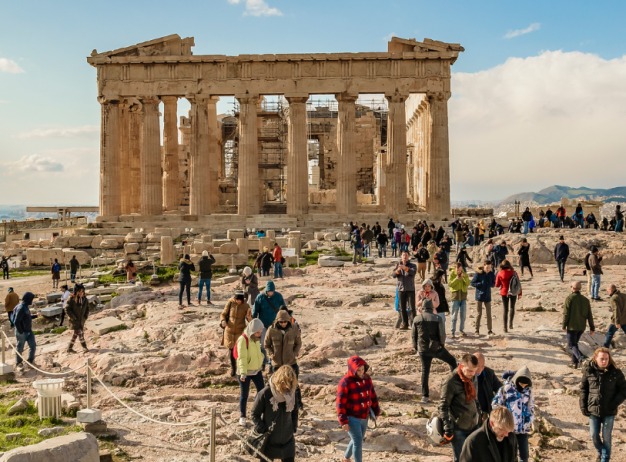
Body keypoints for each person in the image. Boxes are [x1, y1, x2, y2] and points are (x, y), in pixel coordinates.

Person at [580, 347, 626, 462]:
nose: (604, 361)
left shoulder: (616, 372)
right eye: (602, 359)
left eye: (606, 359)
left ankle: (605, 459)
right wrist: (583, 406)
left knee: (606, 438)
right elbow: (583, 389)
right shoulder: (588, 370)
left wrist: (615, 403)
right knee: (594, 436)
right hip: (593, 410)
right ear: (596, 358)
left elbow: (624, 390)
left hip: (609, 411)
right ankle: (602, 453)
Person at [251, 365, 301, 462]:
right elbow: (254, 414)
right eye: (285, 383)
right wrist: (263, 428)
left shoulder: (292, 393)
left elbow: (295, 411)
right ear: (279, 381)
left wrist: (293, 426)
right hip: (269, 441)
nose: (288, 386)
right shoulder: (265, 393)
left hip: (288, 440)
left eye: (290, 383)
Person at [337, 355, 381, 462]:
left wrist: (376, 410)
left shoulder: (367, 379)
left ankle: (346, 458)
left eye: (363, 369)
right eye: (358, 370)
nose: (361, 373)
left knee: (358, 439)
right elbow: (340, 403)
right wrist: (343, 421)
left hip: (364, 416)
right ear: (352, 369)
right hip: (352, 417)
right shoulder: (345, 382)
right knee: (358, 442)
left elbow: (372, 395)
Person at [412, 299, 456, 404]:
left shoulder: (417, 318)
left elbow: (414, 336)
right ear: (432, 308)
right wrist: (441, 346)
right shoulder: (437, 318)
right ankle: (454, 388)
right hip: (436, 348)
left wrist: (417, 348)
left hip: (423, 349)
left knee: (425, 371)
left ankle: (425, 396)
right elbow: (442, 335)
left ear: (422, 308)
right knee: (452, 361)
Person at [439, 354, 481, 462]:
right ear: (462, 366)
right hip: (458, 429)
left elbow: (475, 399)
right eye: (470, 371)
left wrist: (479, 415)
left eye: (474, 371)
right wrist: (447, 428)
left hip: (474, 426)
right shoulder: (450, 381)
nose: (472, 374)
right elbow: (443, 406)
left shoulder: (474, 377)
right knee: (461, 459)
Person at [492, 366, 534, 462]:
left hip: (522, 429)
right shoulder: (506, 389)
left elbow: (531, 406)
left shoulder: (529, 390)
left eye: (525, 385)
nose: (523, 386)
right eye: (521, 384)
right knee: (508, 455)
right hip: (507, 429)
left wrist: (529, 420)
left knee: (524, 456)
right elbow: (495, 404)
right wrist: (501, 420)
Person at [236, 318, 265, 425]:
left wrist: (261, 359)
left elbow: (258, 352)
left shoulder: (256, 338)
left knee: (262, 392)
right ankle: (242, 416)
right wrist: (243, 373)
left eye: (260, 332)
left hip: (256, 370)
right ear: (252, 331)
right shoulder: (243, 339)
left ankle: (256, 411)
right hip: (245, 372)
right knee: (245, 394)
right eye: (257, 332)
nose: (259, 334)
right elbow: (241, 357)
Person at [253, 280, 286, 370]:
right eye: (269, 291)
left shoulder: (278, 296)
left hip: (274, 325)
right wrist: (254, 323)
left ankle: (272, 362)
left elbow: (283, 309)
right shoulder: (260, 297)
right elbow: (255, 311)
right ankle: (263, 362)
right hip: (262, 325)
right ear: (266, 290)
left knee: (274, 344)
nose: (270, 293)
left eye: (272, 291)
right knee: (263, 344)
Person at [562, 281, 595, 368]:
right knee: (575, 344)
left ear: (572, 288)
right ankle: (574, 363)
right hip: (581, 327)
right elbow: (589, 315)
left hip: (572, 327)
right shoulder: (585, 300)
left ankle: (582, 359)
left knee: (571, 345)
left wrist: (564, 326)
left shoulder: (570, 298)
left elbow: (566, 314)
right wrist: (592, 328)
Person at [221, 293, 252, 377]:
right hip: (229, 330)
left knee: (239, 350)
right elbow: (223, 314)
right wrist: (223, 321)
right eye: (237, 300)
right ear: (234, 299)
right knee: (231, 350)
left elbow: (249, 319)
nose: (239, 301)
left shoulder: (246, 305)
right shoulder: (230, 303)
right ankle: (233, 368)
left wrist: (249, 319)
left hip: (240, 330)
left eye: (240, 300)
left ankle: (240, 367)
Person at [265, 309, 302, 376]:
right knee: (277, 385)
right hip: (277, 364)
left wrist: (294, 354)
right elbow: (266, 345)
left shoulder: (294, 329)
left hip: (290, 363)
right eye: (281, 322)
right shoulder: (271, 330)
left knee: (294, 385)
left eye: (285, 321)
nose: (283, 323)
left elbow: (298, 343)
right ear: (277, 321)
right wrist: (272, 355)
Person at [495, 260, 522, 333]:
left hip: (504, 292)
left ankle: (505, 328)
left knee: (505, 310)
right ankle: (511, 323)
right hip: (513, 292)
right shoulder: (514, 272)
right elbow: (518, 283)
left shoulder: (499, 273)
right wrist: (520, 293)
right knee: (512, 307)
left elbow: (497, 285)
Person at [474, 353, 502, 420]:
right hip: (473, 413)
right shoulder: (468, 375)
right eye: (476, 367)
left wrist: (496, 403)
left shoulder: (489, 373)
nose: (478, 369)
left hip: (487, 411)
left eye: (480, 367)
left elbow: (500, 388)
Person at [393, 250, 417, 330]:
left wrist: (405, 268)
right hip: (401, 289)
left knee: (412, 307)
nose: (405, 257)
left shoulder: (412, 265)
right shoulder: (397, 265)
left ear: (408, 256)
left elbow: (413, 272)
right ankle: (405, 324)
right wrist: (398, 270)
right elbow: (393, 275)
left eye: (406, 255)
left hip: (410, 289)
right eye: (403, 255)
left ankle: (414, 324)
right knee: (402, 308)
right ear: (401, 256)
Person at [471, 261, 496, 335]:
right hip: (479, 295)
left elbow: (494, 282)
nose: (488, 269)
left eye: (490, 267)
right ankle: (477, 330)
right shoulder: (479, 273)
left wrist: (492, 284)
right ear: (484, 266)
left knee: (489, 314)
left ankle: (490, 330)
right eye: (487, 267)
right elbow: (472, 283)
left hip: (487, 295)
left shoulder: (491, 274)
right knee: (479, 313)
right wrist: (480, 284)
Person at [13, 292, 36, 369]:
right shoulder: (21, 308)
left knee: (32, 346)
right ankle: (18, 363)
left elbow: (27, 317)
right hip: (22, 332)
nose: (32, 301)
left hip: (29, 330)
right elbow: (16, 321)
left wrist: (35, 316)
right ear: (28, 299)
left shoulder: (26, 306)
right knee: (20, 348)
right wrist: (21, 332)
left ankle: (30, 361)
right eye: (31, 299)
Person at [65, 283, 90, 353]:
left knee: (76, 334)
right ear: (76, 291)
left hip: (81, 320)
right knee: (80, 333)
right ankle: (84, 347)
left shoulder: (85, 300)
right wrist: (73, 317)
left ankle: (69, 348)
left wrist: (85, 317)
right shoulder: (71, 300)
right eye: (79, 291)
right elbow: (67, 309)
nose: (81, 293)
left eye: (82, 291)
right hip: (74, 321)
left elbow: (88, 308)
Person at [449, 262, 470, 338]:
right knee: (454, 315)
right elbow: (450, 284)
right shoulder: (452, 274)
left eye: (460, 270)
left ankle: (461, 330)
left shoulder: (464, 274)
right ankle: (452, 332)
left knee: (463, 315)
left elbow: (468, 284)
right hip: (455, 297)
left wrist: (465, 277)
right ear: (455, 268)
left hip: (463, 297)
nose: (459, 272)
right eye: (458, 270)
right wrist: (456, 279)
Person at [603, 284, 626, 348]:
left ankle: (605, 348)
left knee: (609, 334)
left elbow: (616, 310)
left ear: (610, 290)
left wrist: (617, 322)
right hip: (625, 319)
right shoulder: (624, 295)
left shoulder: (613, 298)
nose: (608, 292)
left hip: (617, 320)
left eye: (608, 291)